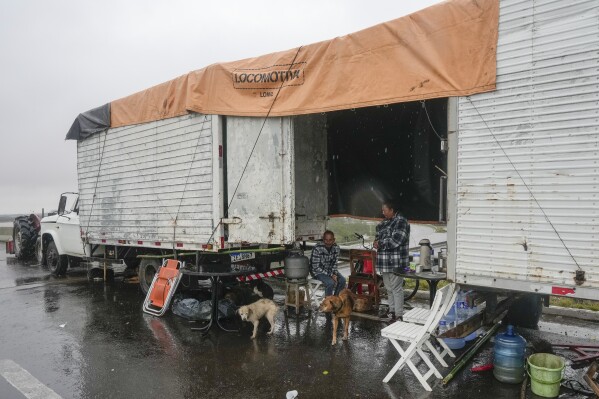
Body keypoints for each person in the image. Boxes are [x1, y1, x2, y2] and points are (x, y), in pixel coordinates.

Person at [374, 200, 410, 321]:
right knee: (389, 289)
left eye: (384, 210)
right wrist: (378, 241)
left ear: (392, 210)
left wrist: (380, 242)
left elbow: (396, 240)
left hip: (396, 262)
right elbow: (378, 236)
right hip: (384, 262)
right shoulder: (384, 222)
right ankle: (392, 312)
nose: (382, 212)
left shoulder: (401, 221)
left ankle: (399, 315)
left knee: (396, 288)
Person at [310, 230, 346, 297]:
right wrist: (330, 275)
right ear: (323, 239)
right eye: (326, 240)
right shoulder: (317, 248)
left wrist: (334, 274)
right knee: (330, 282)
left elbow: (335, 264)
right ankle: (329, 304)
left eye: (330, 240)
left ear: (334, 240)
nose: (328, 242)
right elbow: (316, 267)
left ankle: (335, 300)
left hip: (330, 271)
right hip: (317, 272)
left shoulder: (336, 248)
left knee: (342, 280)